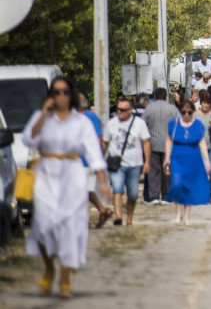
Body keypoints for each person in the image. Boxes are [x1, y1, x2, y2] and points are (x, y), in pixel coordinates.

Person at [23, 77, 112, 299]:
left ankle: (64, 274)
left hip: (72, 175)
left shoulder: (81, 122)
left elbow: (94, 152)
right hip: (46, 174)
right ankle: (49, 266)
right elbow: (28, 139)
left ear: (70, 95)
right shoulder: (42, 118)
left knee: (70, 227)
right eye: (56, 92)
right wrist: (43, 114)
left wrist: (102, 182)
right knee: (44, 225)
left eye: (64, 92)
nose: (60, 96)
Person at [103, 96, 152, 226]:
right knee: (117, 189)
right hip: (117, 163)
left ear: (130, 110)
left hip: (135, 163)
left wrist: (147, 162)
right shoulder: (111, 123)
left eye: (123, 110)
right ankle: (118, 216)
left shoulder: (139, 124)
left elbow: (146, 142)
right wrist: (102, 158)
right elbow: (105, 143)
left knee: (133, 194)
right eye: (118, 109)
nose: (120, 112)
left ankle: (129, 218)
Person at [165, 100, 211, 225]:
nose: (186, 114)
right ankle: (178, 214)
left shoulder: (197, 124)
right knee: (176, 185)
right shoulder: (174, 124)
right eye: (184, 112)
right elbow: (169, 140)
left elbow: (201, 142)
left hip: (193, 159)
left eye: (189, 112)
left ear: (192, 112)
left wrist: (207, 160)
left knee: (188, 186)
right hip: (177, 158)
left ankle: (186, 216)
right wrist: (167, 157)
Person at [76, 94, 112, 228]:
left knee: (82, 192)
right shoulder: (72, 117)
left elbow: (99, 139)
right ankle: (103, 209)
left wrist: (98, 157)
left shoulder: (91, 118)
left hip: (86, 161)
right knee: (83, 190)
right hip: (75, 160)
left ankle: (83, 221)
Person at [142, 88, 180, 203]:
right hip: (168, 144)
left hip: (153, 143)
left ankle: (153, 196)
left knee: (153, 171)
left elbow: (143, 125)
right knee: (167, 170)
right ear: (166, 97)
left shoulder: (149, 109)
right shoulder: (172, 109)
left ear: (155, 97)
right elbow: (179, 124)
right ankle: (166, 195)